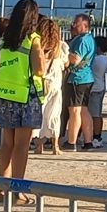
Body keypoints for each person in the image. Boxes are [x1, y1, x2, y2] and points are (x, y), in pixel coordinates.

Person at [0, 0, 45, 205]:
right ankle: (17, 190)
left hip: (4, 94)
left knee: (7, 143)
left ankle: (2, 188)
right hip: (24, 96)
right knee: (22, 145)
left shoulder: (5, 38)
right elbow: (39, 68)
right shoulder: (33, 39)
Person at [36, 17, 69, 155]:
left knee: (40, 114)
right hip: (55, 84)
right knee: (54, 113)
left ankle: (38, 145)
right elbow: (66, 63)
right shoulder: (60, 46)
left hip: (40, 83)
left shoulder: (38, 46)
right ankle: (55, 146)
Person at [63, 13, 96, 151]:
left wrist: (63, 50)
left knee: (74, 110)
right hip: (86, 78)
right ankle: (88, 141)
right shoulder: (90, 39)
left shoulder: (82, 40)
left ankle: (71, 142)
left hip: (77, 78)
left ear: (85, 24)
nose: (74, 25)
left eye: (76, 22)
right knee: (83, 110)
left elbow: (75, 59)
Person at [89, 36, 107, 148]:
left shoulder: (96, 59)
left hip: (95, 88)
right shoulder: (106, 58)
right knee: (97, 113)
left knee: (95, 114)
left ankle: (96, 136)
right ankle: (97, 135)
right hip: (101, 86)